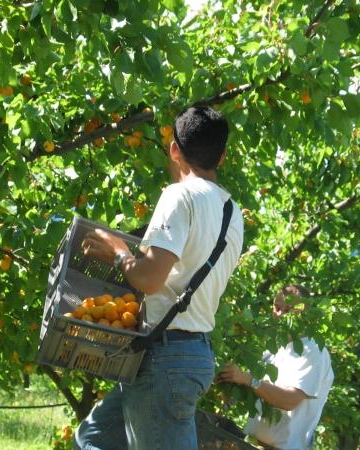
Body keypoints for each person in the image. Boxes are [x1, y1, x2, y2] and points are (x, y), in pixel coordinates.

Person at [73, 106, 244, 450]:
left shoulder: (179, 195)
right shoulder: (232, 212)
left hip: (165, 358)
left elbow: (149, 280)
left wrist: (119, 252)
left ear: (174, 149)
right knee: (91, 439)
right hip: (189, 352)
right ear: (222, 156)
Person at [214, 284, 334, 450]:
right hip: (252, 444)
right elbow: (235, 400)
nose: (280, 314)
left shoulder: (313, 350)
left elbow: (290, 400)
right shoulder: (273, 349)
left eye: (288, 310)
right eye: (277, 308)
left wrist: (249, 380)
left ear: (303, 313)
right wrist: (226, 380)